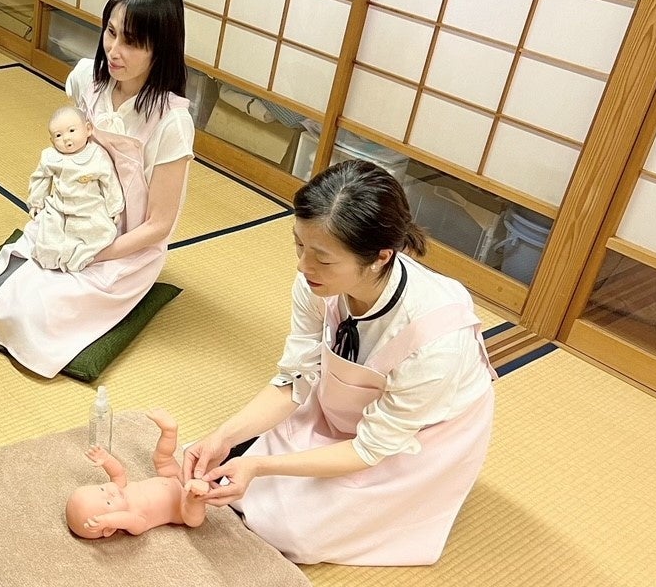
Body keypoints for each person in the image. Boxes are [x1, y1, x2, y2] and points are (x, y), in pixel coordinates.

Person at [182, 159, 496, 566]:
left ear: (381, 257)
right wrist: (223, 436)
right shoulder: (317, 283)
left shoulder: (436, 340)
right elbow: (295, 380)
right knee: (222, 461)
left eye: (323, 258)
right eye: (299, 245)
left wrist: (258, 465)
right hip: (346, 403)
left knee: (292, 530)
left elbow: (369, 448)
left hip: (419, 436)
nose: (303, 266)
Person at [0, 0, 193, 377]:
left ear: (161, 49)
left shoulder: (172, 122)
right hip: (73, 215)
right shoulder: (89, 79)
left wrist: (96, 252)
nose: (114, 50)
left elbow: (159, 225)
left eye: (132, 42)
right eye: (111, 32)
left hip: (126, 246)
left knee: (38, 315)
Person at [67, 410, 208, 539]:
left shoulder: (120, 488)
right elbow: (131, 520)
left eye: (102, 488)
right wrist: (106, 521)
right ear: (110, 529)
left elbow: (118, 473)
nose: (111, 491)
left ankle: (169, 432)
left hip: (171, 476)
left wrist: (106, 460)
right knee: (193, 519)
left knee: (162, 458)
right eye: (108, 502)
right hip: (182, 506)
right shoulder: (135, 521)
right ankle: (196, 494)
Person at [27, 105, 124, 272]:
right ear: (52, 140)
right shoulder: (51, 156)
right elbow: (40, 178)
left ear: (88, 129)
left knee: (97, 232)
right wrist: (36, 202)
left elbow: (109, 181)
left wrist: (114, 207)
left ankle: (80, 258)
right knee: (49, 232)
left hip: (89, 207)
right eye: (58, 135)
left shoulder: (96, 154)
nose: (66, 138)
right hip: (59, 207)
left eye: (72, 131)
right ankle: (52, 259)